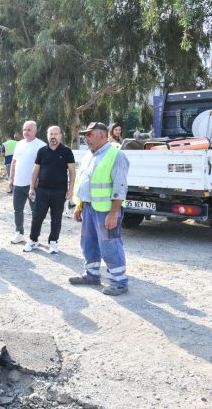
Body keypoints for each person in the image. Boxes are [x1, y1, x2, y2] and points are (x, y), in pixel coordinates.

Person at [70, 122, 130, 296]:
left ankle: (119, 282)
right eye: (85, 135)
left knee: (110, 245)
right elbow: (85, 183)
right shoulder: (90, 155)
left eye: (90, 134)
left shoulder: (116, 155)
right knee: (88, 243)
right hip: (89, 207)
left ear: (102, 135)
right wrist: (79, 205)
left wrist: (113, 214)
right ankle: (92, 275)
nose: (86, 138)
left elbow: (120, 187)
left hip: (106, 210)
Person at [23, 126, 76, 254]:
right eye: (50, 134)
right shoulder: (42, 151)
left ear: (60, 135)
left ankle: (53, 242)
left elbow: (72, 172)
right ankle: (33, 240)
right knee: (37, 217)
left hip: (60, 192)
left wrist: (70, 190)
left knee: (56, 219)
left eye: (55, 134)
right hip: (42, 191)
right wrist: (31, 187)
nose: (53, 136)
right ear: (47, 136)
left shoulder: (67, 151)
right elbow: (35, 170)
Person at [8, 121, 46, 244]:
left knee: (36, 211)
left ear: (35, 131)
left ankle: (35, 237)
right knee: (17, 210)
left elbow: (44, 166)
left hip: (33, 186)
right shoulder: (19, 144)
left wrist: (38, 181)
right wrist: (11, 180)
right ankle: (19, 233)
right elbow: (14, 162)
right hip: (18, 184)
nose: (26, 132)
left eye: (29, 130)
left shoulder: (41, 145)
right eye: (24, 129)